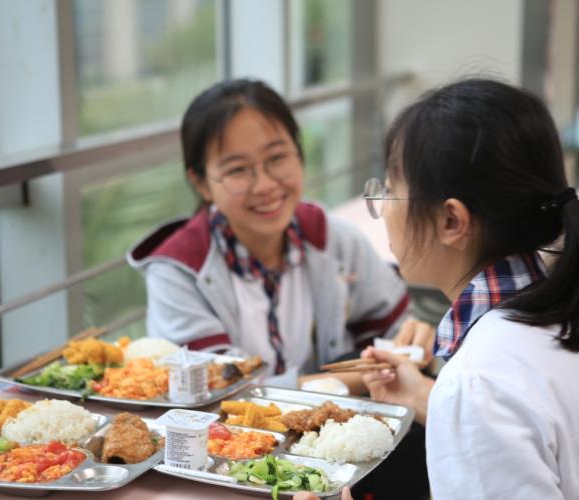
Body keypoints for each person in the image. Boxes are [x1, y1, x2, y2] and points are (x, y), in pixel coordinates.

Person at [298, 78, 579, 500]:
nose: (382, 209)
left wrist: (455, 401)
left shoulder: (479, 381)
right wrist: (428, 398)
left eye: (390, 191)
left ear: (451, 221)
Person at [128, 78, 415, 386]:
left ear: (299, 154)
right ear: (201, 183)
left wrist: (412, 337)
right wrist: (345, 382)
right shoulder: (179, 270)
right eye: (237, 169)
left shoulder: (333, 239)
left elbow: (395, 333)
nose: (264, 185)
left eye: (277, 158)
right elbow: (216, 391)